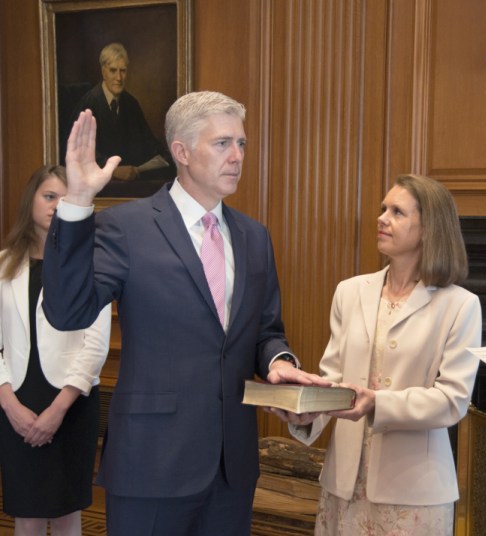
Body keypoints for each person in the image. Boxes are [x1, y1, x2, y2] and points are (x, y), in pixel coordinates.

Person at [42, 91, 328, 536]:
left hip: (231, 468)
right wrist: (77, 202)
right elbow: (67, 311)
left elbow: (265, 332)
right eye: (222, 144)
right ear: (181, 152)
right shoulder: (126, 227)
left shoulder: (255, 237)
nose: (237, 156)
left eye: (242, 144)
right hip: (151, 462)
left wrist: (280, 364)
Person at [281, 174, 482, 535]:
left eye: (397, 212)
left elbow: (453, 401)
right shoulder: (350, 291)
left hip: (415, 495)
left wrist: (377, 402)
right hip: (344, 487)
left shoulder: (461, 306)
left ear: (428, 228)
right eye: (382, 208)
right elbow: (333, 379)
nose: (382, 218)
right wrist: (304, 410)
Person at [0, 165, 111, 536]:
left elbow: (95, 345)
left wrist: (57, 410)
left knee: (67, 515)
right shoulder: (2, 265)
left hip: (71, 401)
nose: (56, 205)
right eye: (49, 196)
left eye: (66, 199)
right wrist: (9, 404)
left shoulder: (91, 265)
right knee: (26, 515)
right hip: (16, 399)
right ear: (30, 200)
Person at [67, 42, 172, 183]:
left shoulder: (131, 104)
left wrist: (167, 156)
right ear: (103, 72)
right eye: (113, 70)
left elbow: (148, 142)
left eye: (122, 70)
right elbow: (78, 150)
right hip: (98, 186)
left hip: (130, 185)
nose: (119, 78)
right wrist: (114, 170)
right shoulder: (89, 104)